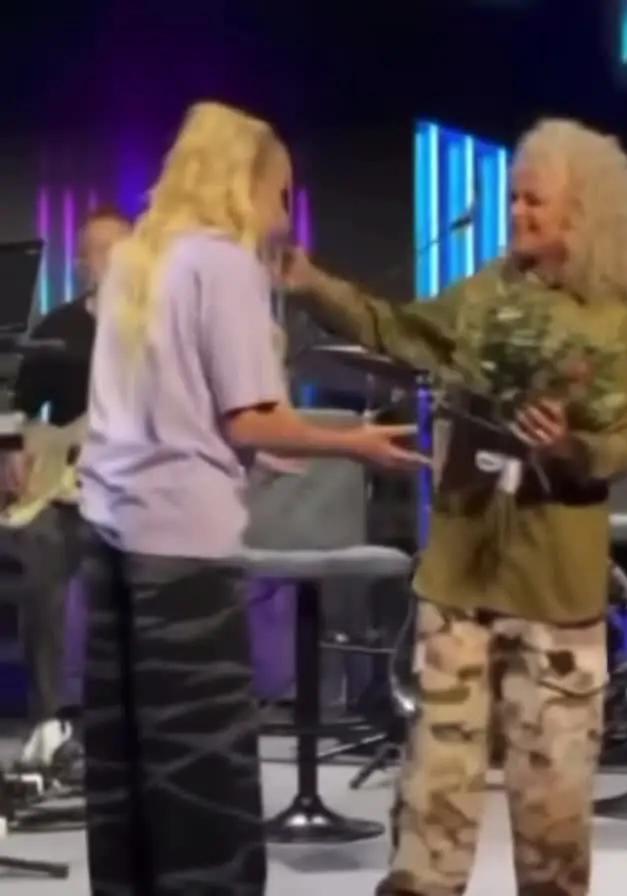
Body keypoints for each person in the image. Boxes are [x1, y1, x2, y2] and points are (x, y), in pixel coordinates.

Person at [287, 118, 627, 896]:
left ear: (583, 211)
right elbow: (398, 330)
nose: (516, 213)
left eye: (534, 201)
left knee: (553, 815)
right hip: (460, 580)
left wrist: (567, 446)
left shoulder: (617, 323)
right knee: (434, 806)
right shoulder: (484, 294)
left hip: (555, 592)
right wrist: (312, 283)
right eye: (514, 198)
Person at [77, 100, 427, 896]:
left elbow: (155, 415)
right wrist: (355, 443)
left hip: (109, 546)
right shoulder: (222, 264)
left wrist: (254, 454)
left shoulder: (134, 261)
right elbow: (250, 414)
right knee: (201, 781)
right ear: (246, 182)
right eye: (282, 193)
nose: (285, 214)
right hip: (183, 560)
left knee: (128, 774)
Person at [0, 205, 131, 774]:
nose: (114, 262)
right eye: (102, 253)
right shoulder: (59, 329)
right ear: (83, 264)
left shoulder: (160, 327)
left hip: (137, 493)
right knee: (42, 558)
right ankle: (50, 720)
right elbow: (19, 407)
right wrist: (11, 450)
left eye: (123, 250)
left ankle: (136, 721)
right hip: (68, 492)